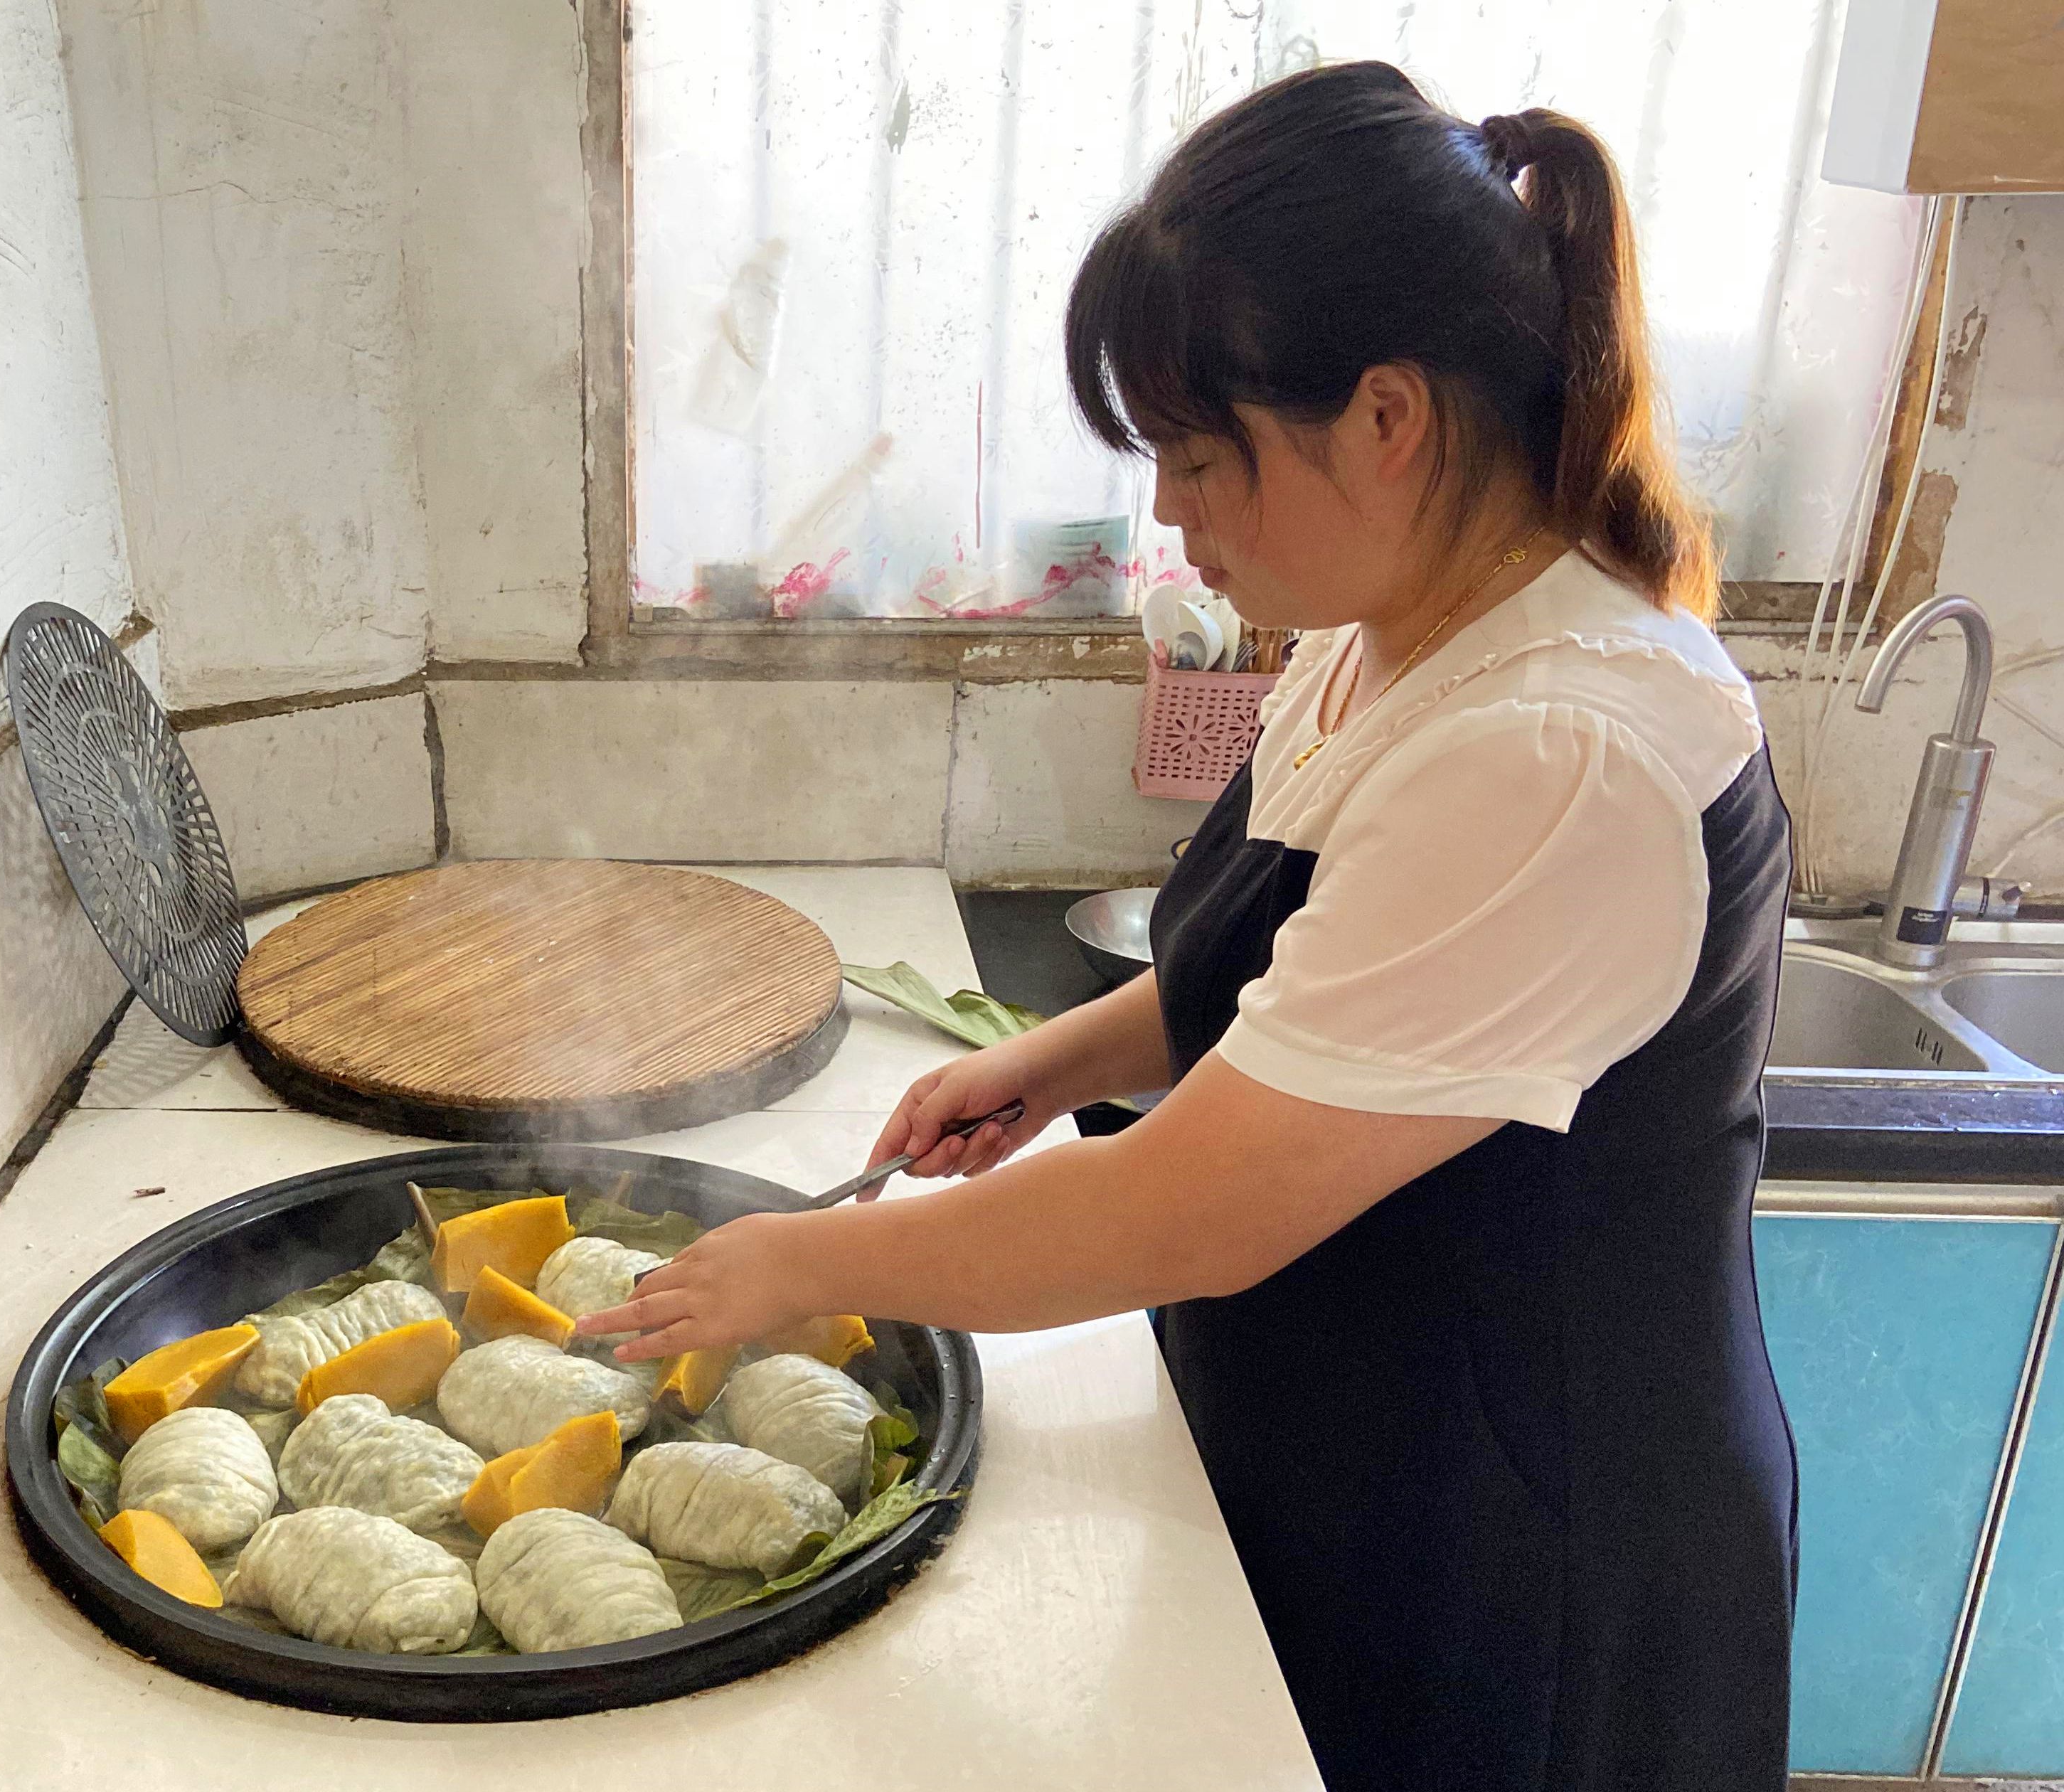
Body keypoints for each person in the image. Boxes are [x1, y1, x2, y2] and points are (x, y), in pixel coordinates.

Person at [578, 60, 1796, 1792]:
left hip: (1515, 1545)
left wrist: (804, 1261)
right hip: (1357, 1450)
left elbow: (1194, 1207)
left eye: (1203, 460)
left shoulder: (1556, 749)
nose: (1170, 519)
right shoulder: (1391, 633)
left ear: (1389, 417)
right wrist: (1053, 1056)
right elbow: (1296, 964)